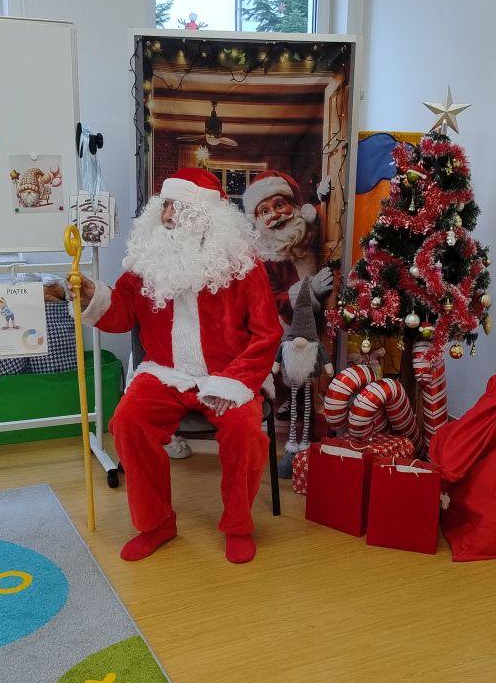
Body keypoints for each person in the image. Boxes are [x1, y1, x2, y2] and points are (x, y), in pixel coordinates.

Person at [71, 168, 282, 564]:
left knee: (244, 432)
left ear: (205, 217)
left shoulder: (242, 265)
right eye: (165, 206)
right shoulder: (148, 259)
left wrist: (235, 382)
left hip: (228, 374)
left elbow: (266, 333)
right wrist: (89, 295)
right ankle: (156, 524)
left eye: (176, 207)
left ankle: (238, 525)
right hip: (164, 373)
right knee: (127, 422)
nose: (167, 215)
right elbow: (121, 313)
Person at [242, 170, 334, 325]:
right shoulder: (264, 257)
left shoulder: (307, 225)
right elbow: (272, 299)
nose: (274, 215)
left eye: (279, 205)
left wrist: (325, 199)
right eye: (265, 211)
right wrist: (309, 290)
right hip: (294, 326)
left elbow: (327, 218)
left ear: (293, 205)